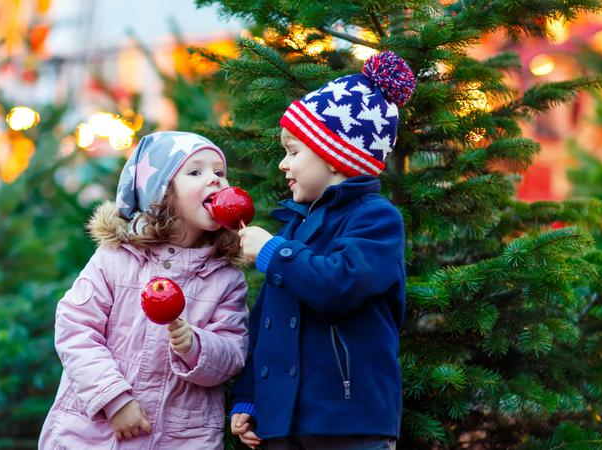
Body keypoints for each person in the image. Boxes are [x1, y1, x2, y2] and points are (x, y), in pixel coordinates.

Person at [230, 51, 416, 450]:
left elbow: (340, 283)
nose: (283, 164)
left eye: (293, 152)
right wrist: (249, 396)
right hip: (284, 423)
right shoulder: (296, 227)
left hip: (349, 421)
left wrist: (273, 252)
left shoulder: (377, 219)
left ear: (336, 157)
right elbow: (267, 321)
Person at [39, 131, 249, 450]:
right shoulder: (117, 258)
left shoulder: (225, 277)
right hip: (95, 435)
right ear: (161, 193)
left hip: (179, 438)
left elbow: (233, 353)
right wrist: (114, 399)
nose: (215, 181)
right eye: (196, 172)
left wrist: (196, 346)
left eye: (219, 173)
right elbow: (76, 328)